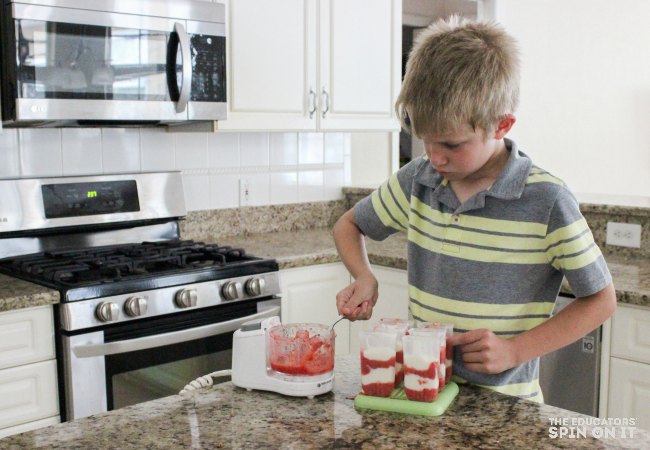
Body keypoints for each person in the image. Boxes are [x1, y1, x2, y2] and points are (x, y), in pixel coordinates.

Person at [332, 16, 616, 402]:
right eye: (425, 140)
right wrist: (364, 276)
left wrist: (515, 351)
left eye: (451, 145)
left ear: (502, 125)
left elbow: (601, 300)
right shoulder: (419, 179)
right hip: (425, 393)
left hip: (506, 403)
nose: (435, 157)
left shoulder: (546, 200)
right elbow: (349, 225)